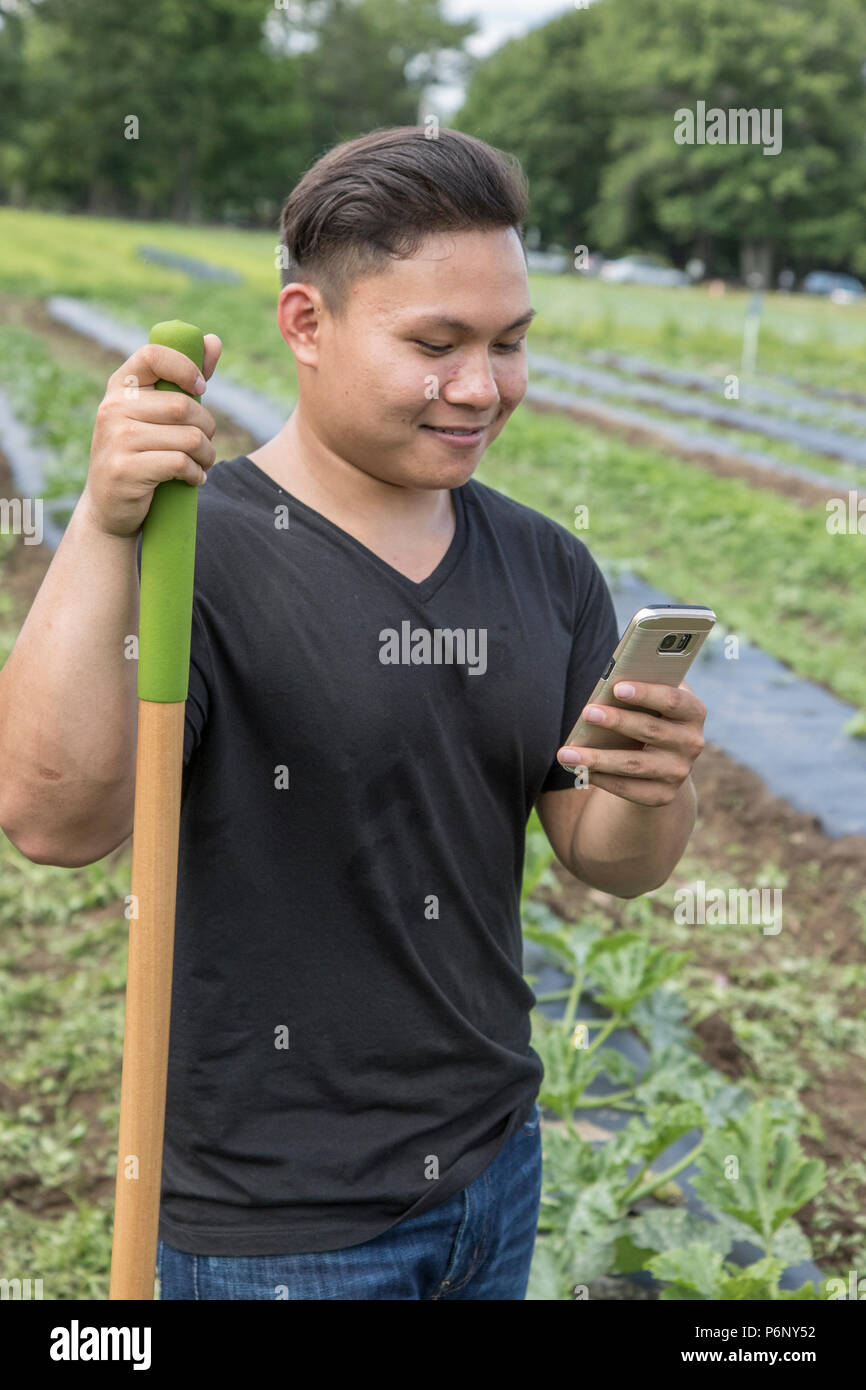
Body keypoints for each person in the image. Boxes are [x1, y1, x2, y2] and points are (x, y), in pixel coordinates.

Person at [0, 126, 707, 1300]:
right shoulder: (199, 553)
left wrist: (649, 784)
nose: (481, 386)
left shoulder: (546, 565)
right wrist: (103, 521)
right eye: (435, 343)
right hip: (280, 1224)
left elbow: (605, 857)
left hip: (493, 1166)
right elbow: (52, 820)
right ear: (306, 325)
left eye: (509, 343)